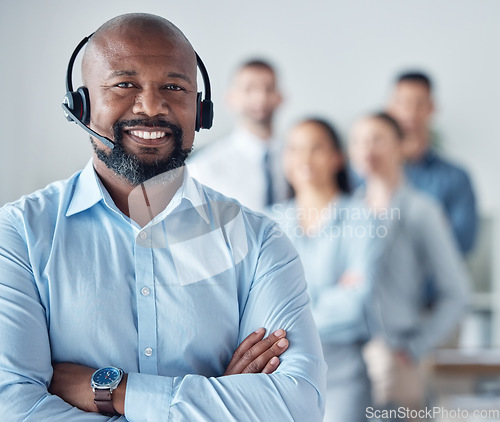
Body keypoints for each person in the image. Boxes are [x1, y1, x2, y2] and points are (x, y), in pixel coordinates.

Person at [0, 13, 326, 421]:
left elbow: (298, 405)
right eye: (124, 84)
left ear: (200, 110)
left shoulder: (259, 241)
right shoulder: (19, 235)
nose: (152, 106)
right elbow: (14, 407)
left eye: (174, 87)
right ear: (79, 105)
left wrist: (113, 390)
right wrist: (218, 402)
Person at [349, 112, 469, 418]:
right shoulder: (347, 210)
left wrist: (416, 347)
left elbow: (456, 291)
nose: (367, 149)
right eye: (359, 141)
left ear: (400, 146)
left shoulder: (422, 210)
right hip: (347, 357)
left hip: (397, 355)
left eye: (377, 140)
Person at [269, 118, 378, 422]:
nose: (304, 158)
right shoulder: (267, 223)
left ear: (337, 157)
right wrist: (331, 296)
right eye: (295, 149)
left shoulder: (362, 220)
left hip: (342, 372)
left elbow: (355, 303)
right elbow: (255, 306)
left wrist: (287, 315)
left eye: (316, 148)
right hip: (279, 374)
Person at [387, 70, 478, 255]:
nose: (410, 113)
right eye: (403, 103)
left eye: (419, 103)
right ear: (390, 107)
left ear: (432, 107)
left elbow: (463, 241)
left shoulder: (455, 177)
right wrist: (437, 227)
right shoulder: (364, 172)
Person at [188, 58, 289, 212]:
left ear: (280, 98)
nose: (260, 97)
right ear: (231, 98)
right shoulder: (203, 169)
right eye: (249, 89)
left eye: (269, 88)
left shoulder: (300, 160)